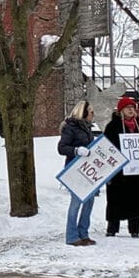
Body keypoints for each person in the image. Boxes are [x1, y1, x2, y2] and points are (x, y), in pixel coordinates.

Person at [102, 96, 139, 238]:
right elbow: (106, 147)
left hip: (136, 169)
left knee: (135, 198)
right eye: (128, 107)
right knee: (115, 198)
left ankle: (134, 228)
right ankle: (112, 228)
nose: (131, 109)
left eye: (133, 107)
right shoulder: (112, 126)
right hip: (118, 170)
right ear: (121, 109)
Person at [57, 100, 97, 246]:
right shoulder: (70, 127)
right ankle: (72, 235)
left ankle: (83, 232)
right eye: (91, 112)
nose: (93, 115)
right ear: (84, 112)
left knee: (89, 201)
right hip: (75, 170)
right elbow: (62, 148)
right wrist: (76, 150)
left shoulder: (87, 128)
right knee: (76, 202)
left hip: (87, 169)